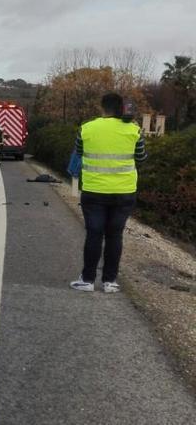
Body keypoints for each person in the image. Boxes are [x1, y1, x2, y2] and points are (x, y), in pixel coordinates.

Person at [70, 93, 147, 293]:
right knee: (115, 235)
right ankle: (110, 281)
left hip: (94, 190)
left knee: (94, 234)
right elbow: (141, 157)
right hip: (124, 192)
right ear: (122, 108)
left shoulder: (86, 128)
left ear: (102, 107)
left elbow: (79, 152)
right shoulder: (134, 130)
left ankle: (87, 280)